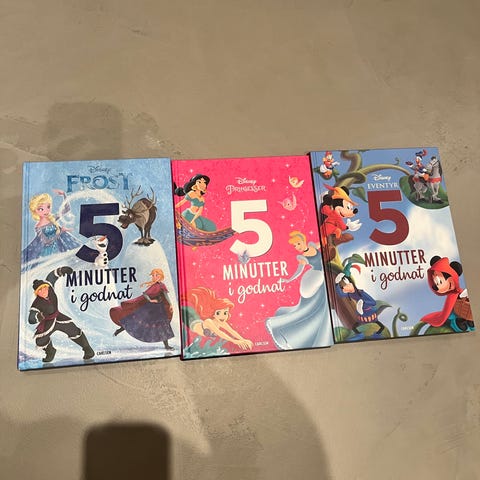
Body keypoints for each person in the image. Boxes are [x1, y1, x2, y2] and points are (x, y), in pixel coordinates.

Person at [265, 231, 332, 349]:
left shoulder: (312, 245)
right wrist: (288, 279)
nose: (297, 247)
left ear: (303, 240)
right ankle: (279, 328)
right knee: (308, 309)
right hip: (314, 278)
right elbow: (298, 271)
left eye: (298, 243)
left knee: (320, 306)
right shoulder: (302, 257)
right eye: (295, 245)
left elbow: (324, 242)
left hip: (322, 277)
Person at [29, 266, 95, 363]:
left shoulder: (50, 288)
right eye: (40, 290)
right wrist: (39, 316)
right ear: (36, 293)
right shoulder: (37, 303)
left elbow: (52, 276)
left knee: (73, 330)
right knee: (40, 340)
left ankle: (88, 349)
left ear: (47, 287)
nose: (43, 291)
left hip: (59, 317)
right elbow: (31, 318)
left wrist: (62, 270)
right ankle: (50, 352)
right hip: (48, 322)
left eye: (44, 288)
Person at [110, 268, 175, 349]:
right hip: (151, 308)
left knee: (162, 326)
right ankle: (119, 330)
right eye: (153, 275)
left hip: (159, 309)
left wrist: (170, 304)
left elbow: (165, 295)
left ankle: (166, 346)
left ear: (161, 276)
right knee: (137, 320)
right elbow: (145, 294)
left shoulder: (161, 285)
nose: (154, 277)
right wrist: (151, 300)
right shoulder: (155, 286)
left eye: (156, 275)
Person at [22, 189, 80, 266]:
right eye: (41, 209)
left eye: (48, 207)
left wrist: (64, 195)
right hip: (50, 252)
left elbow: (67, 209)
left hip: (61, 246)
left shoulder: (52, 218)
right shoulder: (38, 227)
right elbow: (46, 241)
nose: (46, 211)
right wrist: (61, 231)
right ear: (35, 211)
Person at [185, 286, 253, 350]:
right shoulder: (209, 321)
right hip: (192, 321)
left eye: (225, 313)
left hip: (196, 320)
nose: (222, 316)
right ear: (214, 314)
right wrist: (235, 341)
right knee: (186, 310)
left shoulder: (221, 322)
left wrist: (243, 339)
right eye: (218, 313)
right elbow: (219, 332)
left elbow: (232, 331)